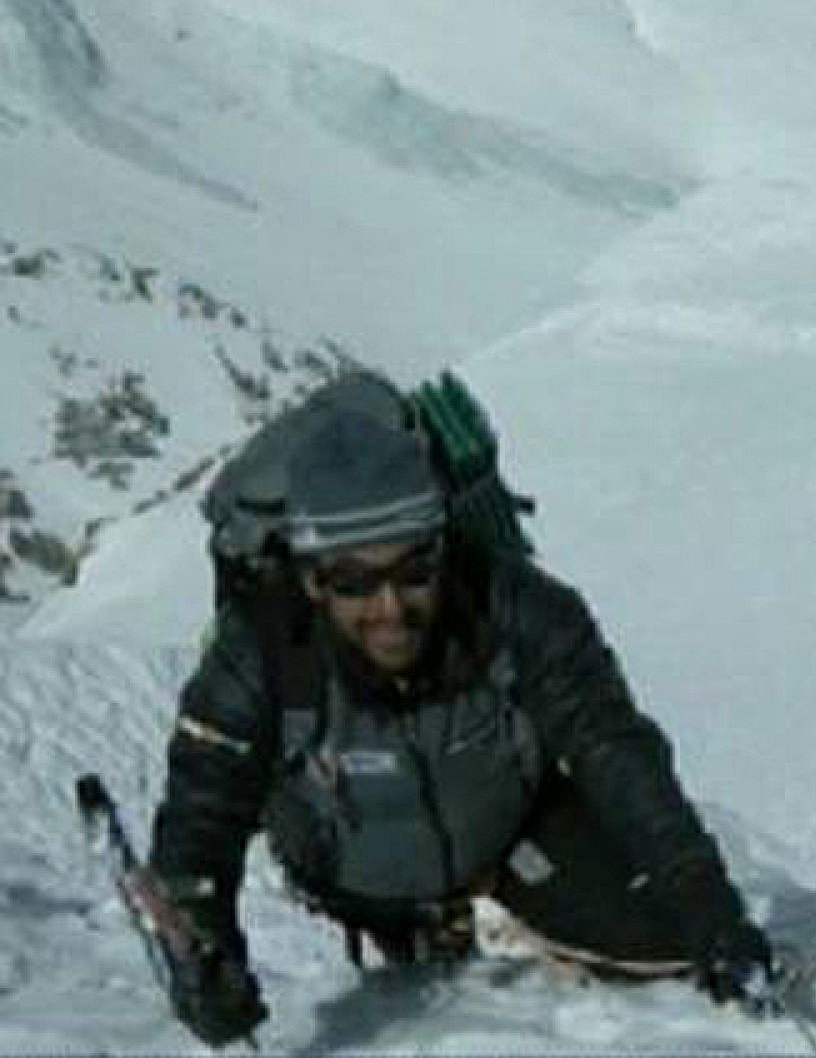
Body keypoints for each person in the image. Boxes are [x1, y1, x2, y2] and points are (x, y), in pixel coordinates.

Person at [148, 394, 778, 1046]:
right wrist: (205, 950)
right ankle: (411, 925)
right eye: (355, 583)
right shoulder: (260, 649)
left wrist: (709, 906)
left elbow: (612, 749)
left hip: (507, 837)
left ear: (442, 551)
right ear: (312, 580)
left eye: (413, 569)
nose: (389, 608)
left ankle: (492, 907)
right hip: (349, 876)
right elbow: (204, 810)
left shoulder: (519, 607)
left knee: (672, 941)